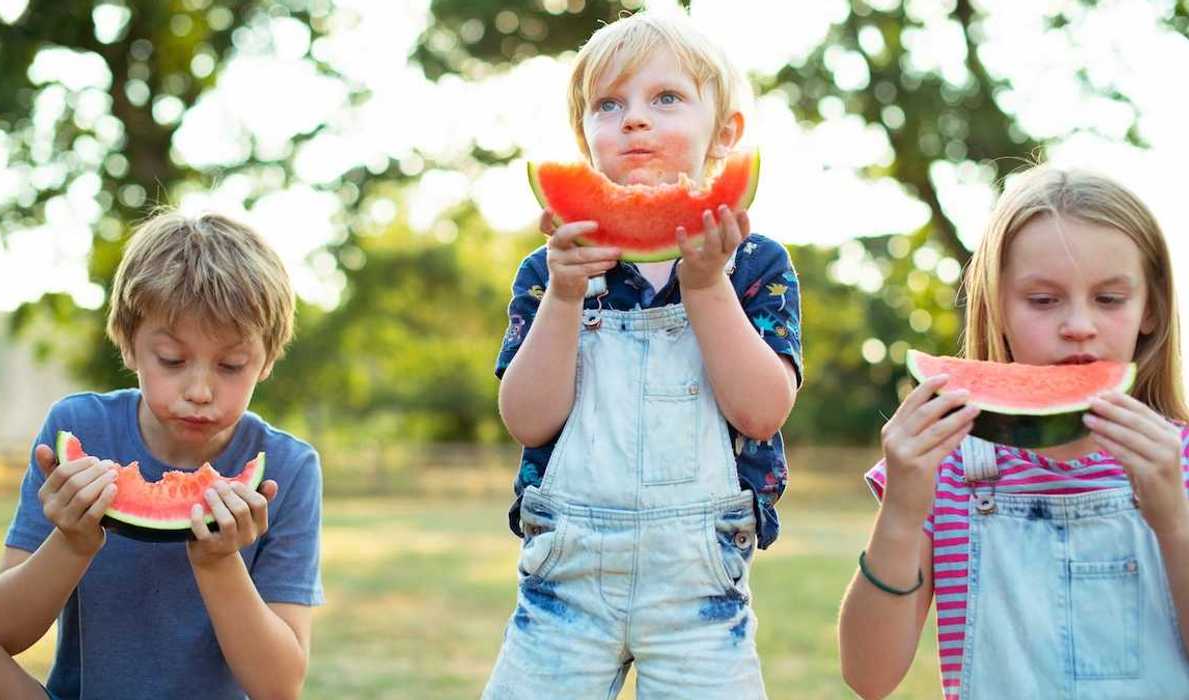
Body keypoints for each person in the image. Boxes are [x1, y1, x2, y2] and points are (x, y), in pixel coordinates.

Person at [484, 10, 802, 699]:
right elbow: (527, 420)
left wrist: (705, 283)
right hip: (563, 581)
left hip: (698, 590)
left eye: (665, 99)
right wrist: (564, 295)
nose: (633, 120)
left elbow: (761, 411)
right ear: (583, 138)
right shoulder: (552, 266)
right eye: (608, 105)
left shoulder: (754, 263)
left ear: (726, 133)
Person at [838, 164, 1189, 698]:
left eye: (1109, 299)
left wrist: (1174, 522)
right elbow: (869, 676)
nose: (1078, 325)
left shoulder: (1179, 458)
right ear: (997, 307)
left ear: (1151, 309)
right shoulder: (949, 467)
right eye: (1043, 300)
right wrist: (904, 511)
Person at [0, 211, 324, 699]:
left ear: (267, 361)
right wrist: (73, 542)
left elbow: (279, 688)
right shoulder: (79, 430)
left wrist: (219, 562)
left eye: (231, 366)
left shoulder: (287, 469)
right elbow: (2, 632)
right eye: (171, 360)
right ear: (128, 346)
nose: (200, 390)